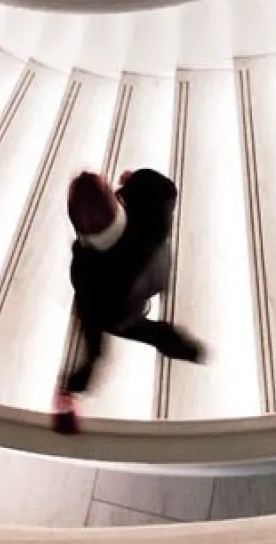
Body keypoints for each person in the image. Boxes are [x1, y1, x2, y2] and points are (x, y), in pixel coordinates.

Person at [52, 166, 203, 434]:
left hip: (119, 311)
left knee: (145, 330)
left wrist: (72, 389)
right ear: (114, 197)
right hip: (156, 271)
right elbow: (168, 189)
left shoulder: (86, 274)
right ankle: (191, 351)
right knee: (141, 324)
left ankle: (184, 347)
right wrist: (134, 180)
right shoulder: (149, 203)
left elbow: (93, 342)